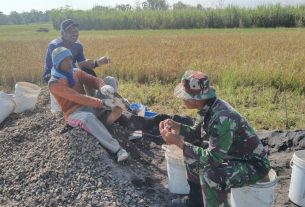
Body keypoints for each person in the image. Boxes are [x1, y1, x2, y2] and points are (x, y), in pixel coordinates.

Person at [159, 71, 270, 207]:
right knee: (193, 154)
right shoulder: (207, 106)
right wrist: (178, 127)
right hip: (233, 156)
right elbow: (196, 134)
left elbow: (212, 159)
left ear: (194, 99)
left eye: (185, 96)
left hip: (253, 165)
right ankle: (196, 202)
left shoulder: (222, 118)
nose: (182, 99)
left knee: (210, 175)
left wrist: (178, 142)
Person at [48, 46, 129, 162]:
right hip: (74, 113)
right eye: (65, 60)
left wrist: (102, 86)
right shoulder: (54, 83)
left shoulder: (75, 72)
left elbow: (92, 80)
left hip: (89, 105)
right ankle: (117, 149)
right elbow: (77, 98)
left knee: (110, 80)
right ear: (57, 63)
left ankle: (108, 115)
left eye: (70, 58)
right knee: (87, 117)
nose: (69, 62)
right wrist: (103, 103)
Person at [43, 19, 110, 82]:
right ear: (62, 33)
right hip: (53, 73)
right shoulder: (55, 45)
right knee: (63, 78)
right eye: (70, 31)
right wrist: (81, 65)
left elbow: (83, 63)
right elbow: (59, 68)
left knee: (89, 72)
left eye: (75, 31)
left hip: (71, 70)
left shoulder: (78, 45)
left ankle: (91, 94)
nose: (74, 33)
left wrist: (98, 62)